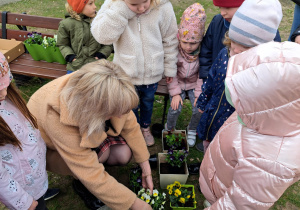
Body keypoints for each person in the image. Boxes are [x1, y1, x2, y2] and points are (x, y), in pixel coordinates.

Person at [27, 60, 154, 210]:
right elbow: (91, 173)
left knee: (123, 154)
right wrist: (137, 205)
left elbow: (131, 126)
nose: (121, 116)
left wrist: (146, 168)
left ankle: (97, 166)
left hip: (90, 127)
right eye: (115, 112)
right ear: (97, 109)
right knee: (100, 158)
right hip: (54, 150)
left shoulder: (104, 88)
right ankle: (81, 184)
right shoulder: (56, 116)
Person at [199, 41, 300, 209]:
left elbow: (237, 205)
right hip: (217, 184)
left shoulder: (271, 163)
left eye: (240, 96)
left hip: (221, 198)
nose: (234, 100)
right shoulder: (259, 112)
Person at [196, 0, 282, 154]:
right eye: (232, 42)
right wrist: (203, 102)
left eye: (240, 48)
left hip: (232, 124)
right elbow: (211, 79)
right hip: (213, 112)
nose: (233, 50)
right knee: (208, 145)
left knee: (223, 152)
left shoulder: (261, 72)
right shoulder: (224, 54)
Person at [90, 0, 178, 146]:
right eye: (134, 4)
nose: (141, 8)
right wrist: (122, 10)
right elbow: (102, 36)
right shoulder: (114, 6)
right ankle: (132, 130)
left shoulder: (162, 7)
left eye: (145, 2)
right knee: (129, 106)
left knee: (147, 103)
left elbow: (170, 40)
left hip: (152, 72)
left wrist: (170, 68)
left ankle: (144, 128)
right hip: (126, 74)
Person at [0, 52, 48, 210]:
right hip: (22, 194)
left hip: (34, 181)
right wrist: (23, 201)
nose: (5, 94)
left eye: (5, 85)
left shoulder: (8, 99)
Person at [198, 0, 281, 81]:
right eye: (220, 7)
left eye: (228, 8)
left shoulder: (265, 28)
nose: (222, 12)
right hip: (217, 82)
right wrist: (207, 77)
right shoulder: (217, 22)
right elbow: (206, 51)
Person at [165, 3, 206, 148]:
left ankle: (192, 129)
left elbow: (203, 74)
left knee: (198, 108)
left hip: (194, 84)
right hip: (178, 84)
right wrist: (175, 93)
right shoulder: (175, 51)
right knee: (175, 107)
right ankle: (169, 128)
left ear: (199, 41)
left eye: (193, 43)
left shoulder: (203, 53)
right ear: (179, 38)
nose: (189, 47)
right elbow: (171, 72)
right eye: (185, 42)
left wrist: (198, 93)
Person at [57, 0, 113, 74]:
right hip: (75, 67)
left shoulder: (99, 22)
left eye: (94, 3)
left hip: (96, 66)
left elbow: (108, 43)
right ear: (79, 7)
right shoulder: (66, 24)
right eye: (90, 4)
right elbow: (63, 44)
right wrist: (70, 57)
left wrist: (100, 55)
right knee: (73, 85)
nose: (95, 7)